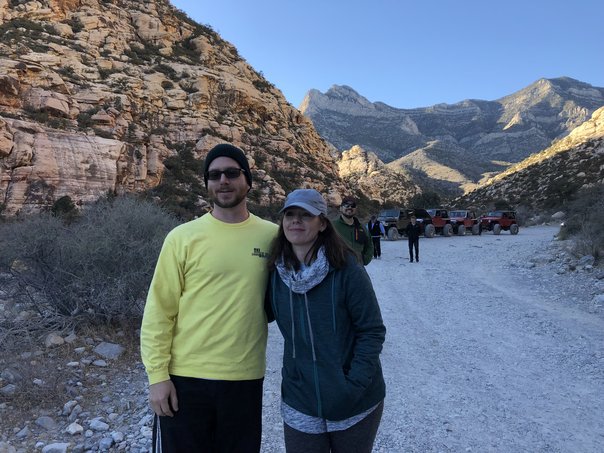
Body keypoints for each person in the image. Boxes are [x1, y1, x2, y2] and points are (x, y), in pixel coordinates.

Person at [140, 143, 278, 453]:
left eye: (232, 173)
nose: (223, 181)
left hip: (244, 378)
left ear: (248, 180)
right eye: (214, 175)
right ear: (206, 184)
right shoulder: (182, 238)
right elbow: (159, 311)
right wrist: (157, 377)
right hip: (185, 378)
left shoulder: (272, 236)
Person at [267, 189, 386, 453]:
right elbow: (256, 314)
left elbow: (372, 330)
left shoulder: (347, 269)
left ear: (322, 223)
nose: (296, 220)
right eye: (290, 214)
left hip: (354, 402)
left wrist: (353, 385)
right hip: (300, 399)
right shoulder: (275, 273)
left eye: (305, 215)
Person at [333, 196, 373, 265]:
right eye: (346, 205)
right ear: (341, 208)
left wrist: (365, 259)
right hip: (338, 268)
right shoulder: (332, 226)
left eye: (353, 205)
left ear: (356, 209)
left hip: (358, 268)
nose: (350, 207)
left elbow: (369, 245)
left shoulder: (362, 228)